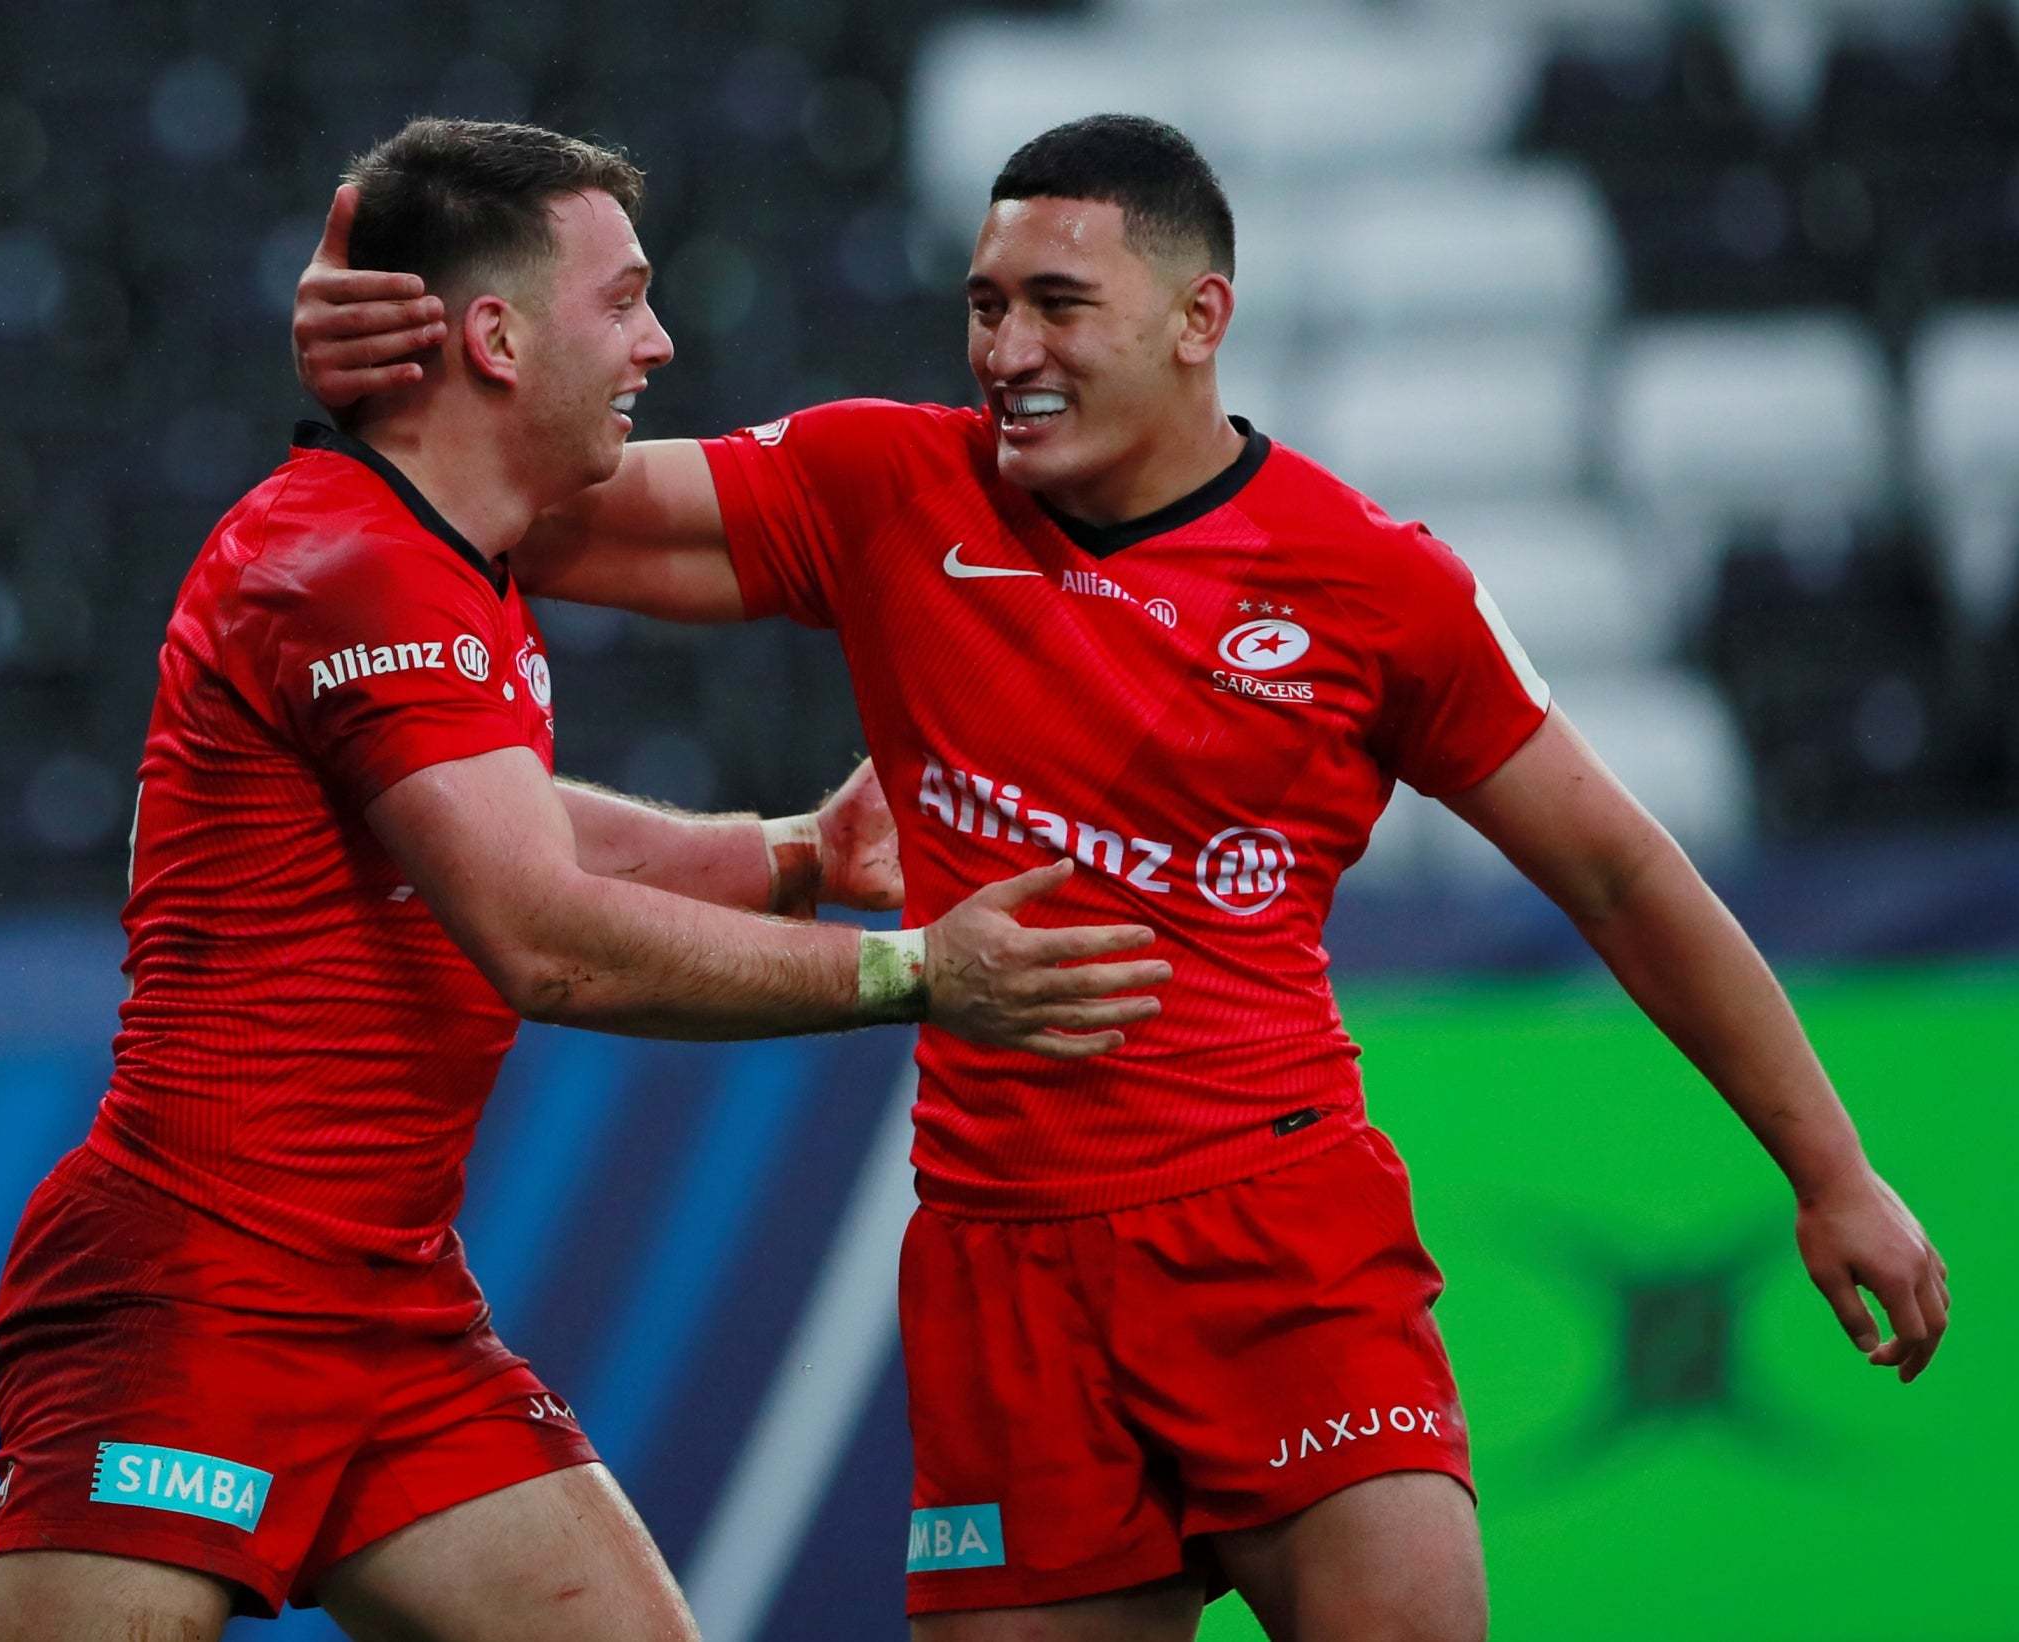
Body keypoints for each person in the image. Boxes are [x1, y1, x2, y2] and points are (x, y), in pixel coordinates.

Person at [294, 114, 1949, 1642]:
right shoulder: (886, 488)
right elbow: (520, 502)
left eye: (1056, 306)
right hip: (1001, 1269)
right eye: (983, 304)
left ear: (1195, 316)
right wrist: (380, 368)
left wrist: (1829, 1168)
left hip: (1279, 1238)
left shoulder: (1372, 583)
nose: (1006, 352)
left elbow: (1616, 874)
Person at [0, 118, 1174, 1642]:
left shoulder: (442, 555)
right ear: (491, 335)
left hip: (388, 1299)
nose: (660, 343)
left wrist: (793, 857)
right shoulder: (346, 566)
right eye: (623, 301)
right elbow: (544, 938)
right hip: (198, 1277)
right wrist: (916, 973)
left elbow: (509, 827)